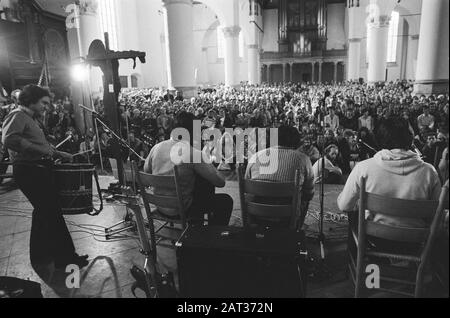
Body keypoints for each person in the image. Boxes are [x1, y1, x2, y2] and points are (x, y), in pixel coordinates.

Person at [1, 85, 89, 269]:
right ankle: (65, 258)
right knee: (52, 212)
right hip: (29, 170)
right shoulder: (17, 115)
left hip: (37, 169)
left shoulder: (30, 118)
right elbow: (9, 139)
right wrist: (42, 150)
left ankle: (40, 255)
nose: (46, 107)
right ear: (31, 100)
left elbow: (38, 144)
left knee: (42, 212)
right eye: (43, 103)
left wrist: (56, 152)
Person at [337, 117, 441, 229]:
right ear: (410, 138)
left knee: (354, 214)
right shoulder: (430, 172)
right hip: (416, 242)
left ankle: (353, 247)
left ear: (380, 139)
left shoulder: (363, 168)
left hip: (374, 238)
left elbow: (345, 206)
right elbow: (437, 214)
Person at [144, 111, 233, 226]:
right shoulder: (193, 153)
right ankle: (212, 235)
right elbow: (220, 182)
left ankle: (195, 229)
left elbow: (147, 172)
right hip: (182, 208)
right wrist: (209, 165)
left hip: (160, 205)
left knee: (198, 186)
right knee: (225, 201)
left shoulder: (156, 148)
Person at [245, 125, 314, 228]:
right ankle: (296, 229)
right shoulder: (303, 159)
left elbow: (246, 185)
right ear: (297, 141)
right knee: (305, 197)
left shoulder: (256, 156)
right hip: (287, 216)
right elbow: (309, 191)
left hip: (257, 213)